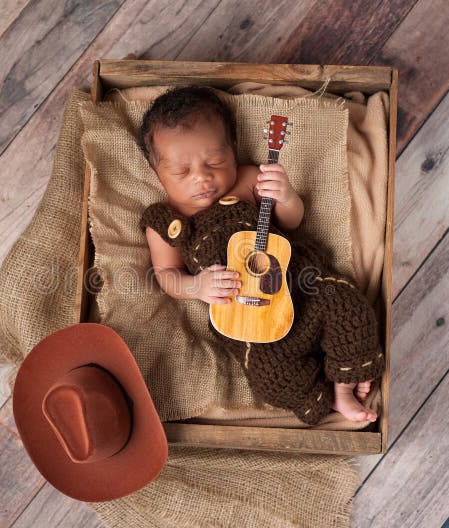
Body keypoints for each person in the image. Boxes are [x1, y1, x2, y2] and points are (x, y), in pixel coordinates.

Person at [138, 86, 383, 424]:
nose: (203, 177)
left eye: (215, 162)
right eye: (182, 172)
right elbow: (166, 275)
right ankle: (322, 391)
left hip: (303, 286)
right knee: (272, 378)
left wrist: (286, 195)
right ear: (157, 173)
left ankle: (343, 386)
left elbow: (292, 222)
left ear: (233, 149)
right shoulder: (164, 222)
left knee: (347, 303)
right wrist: (196, 287)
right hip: (252, 321)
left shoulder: (249, 179)